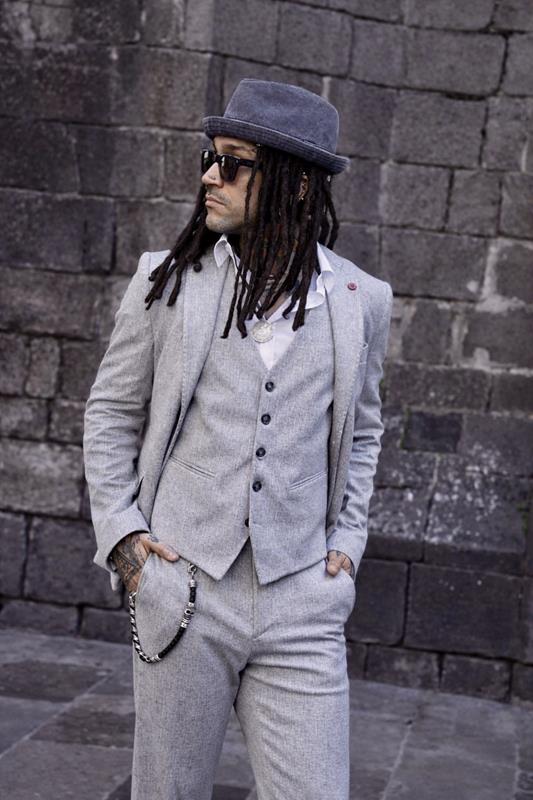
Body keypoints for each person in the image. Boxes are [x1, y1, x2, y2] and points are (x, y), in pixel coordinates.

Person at [83, 78, 393, 800]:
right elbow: (110, 412)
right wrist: (125, 540)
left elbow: (364, 430)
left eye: (232, 162)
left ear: (295, 184)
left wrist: (348, 543)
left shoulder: (361, 301)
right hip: (183, 586)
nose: (209, 176)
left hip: (302, 601)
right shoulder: (168, 282)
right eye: (209, 157)